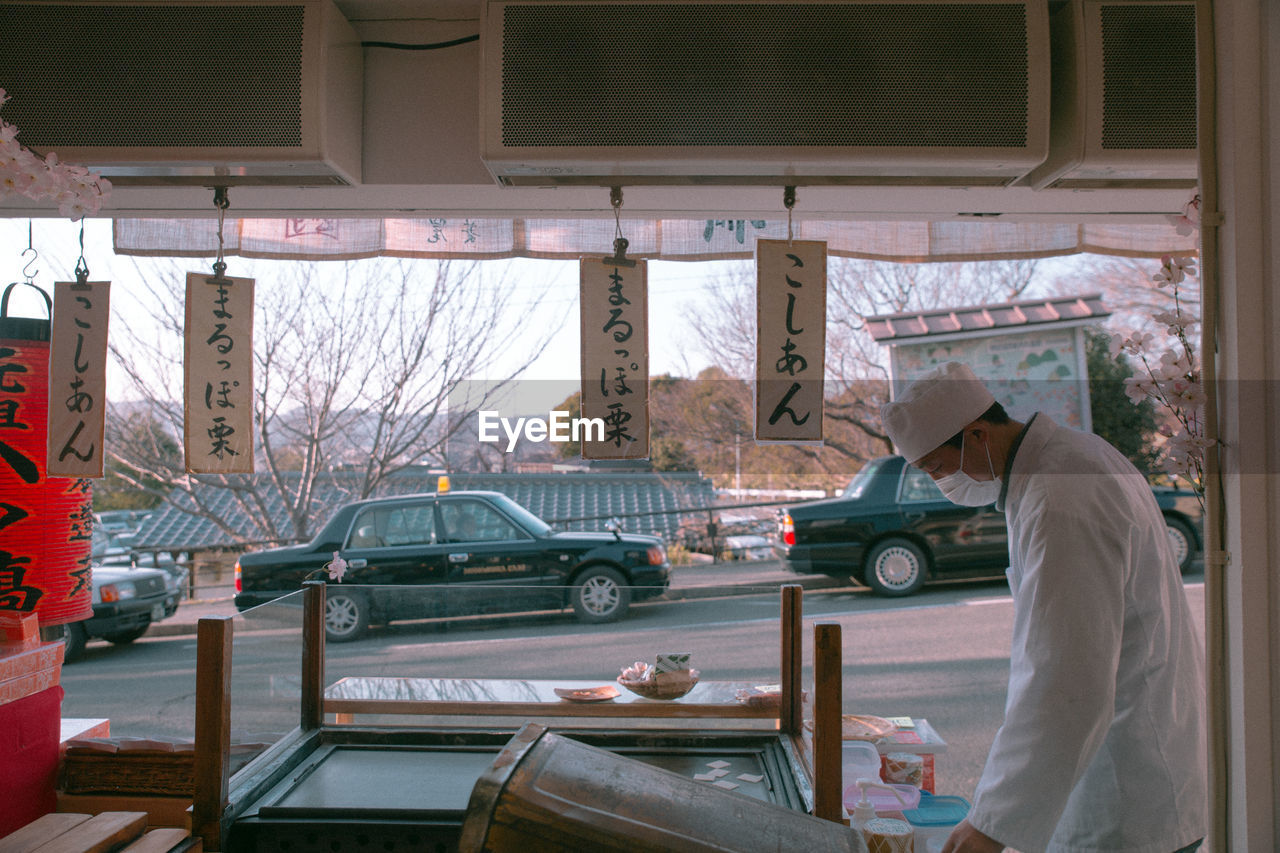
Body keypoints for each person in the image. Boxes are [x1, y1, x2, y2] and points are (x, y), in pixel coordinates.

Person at [880, 361, 1206, 853]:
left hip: (1125, 792)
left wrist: (991, 824)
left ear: (977, 435)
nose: (945, 482)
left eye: (940, 467)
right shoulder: (1074, 456)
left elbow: (1066, 680)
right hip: (1152, 763)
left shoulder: (1058, 494)